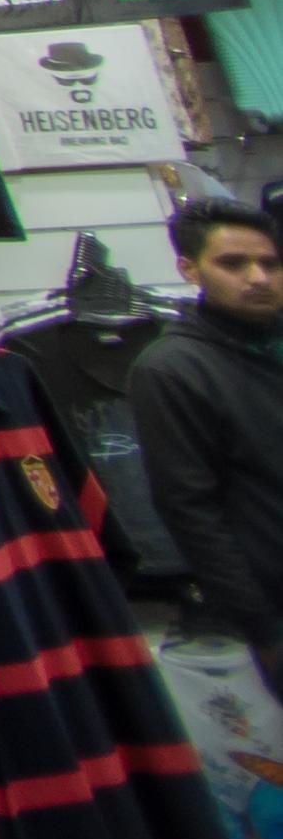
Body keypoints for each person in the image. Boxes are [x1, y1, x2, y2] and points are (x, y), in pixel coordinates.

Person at [131, 194, 283, 701]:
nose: (258, 278)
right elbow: (190, 508)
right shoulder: (172, 370)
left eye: (269, 263)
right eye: (233, 264)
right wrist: (262, 629)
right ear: (190, 268)